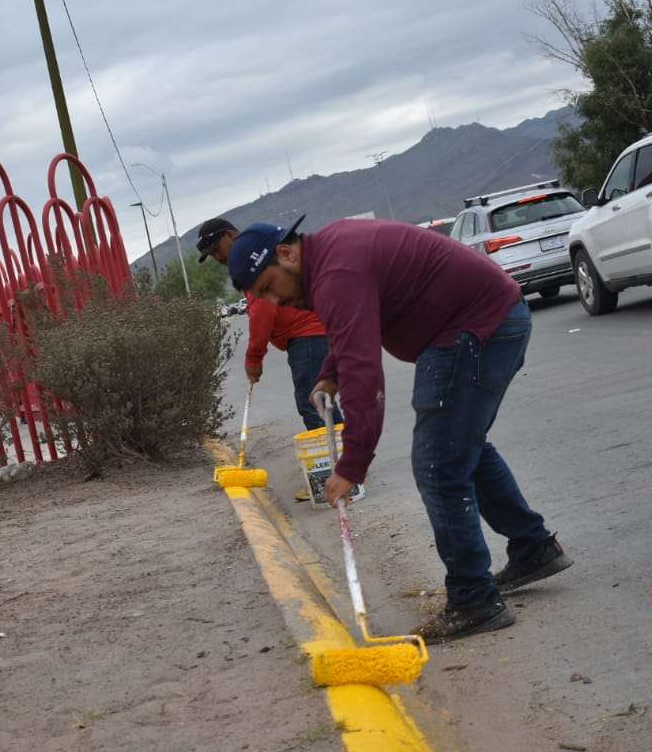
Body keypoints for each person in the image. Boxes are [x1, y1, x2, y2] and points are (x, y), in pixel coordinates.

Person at [226, 216, 572, 643]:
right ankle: (532, 547)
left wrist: (351, 465)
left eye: (269, 288)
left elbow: (364, 374)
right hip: (480, 322)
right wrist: (329, 372)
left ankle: (473, 600)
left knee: (438, 463)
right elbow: (349, 331)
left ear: (286, 253)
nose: (274, 302)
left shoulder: (336, 271)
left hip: (477, 327)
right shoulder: (329, 260)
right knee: (461, 447)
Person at [196, 217, 342, 434]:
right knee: (318, 399)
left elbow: (262, 312)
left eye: (217, 248)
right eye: (212, 254)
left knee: (312, 402)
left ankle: (336, 460)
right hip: (310, 334)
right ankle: (345, 456)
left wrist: (254, 358)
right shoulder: (249, 258)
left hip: (307, 334)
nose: (217, 257)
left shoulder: (252, 259)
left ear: (230, 235)